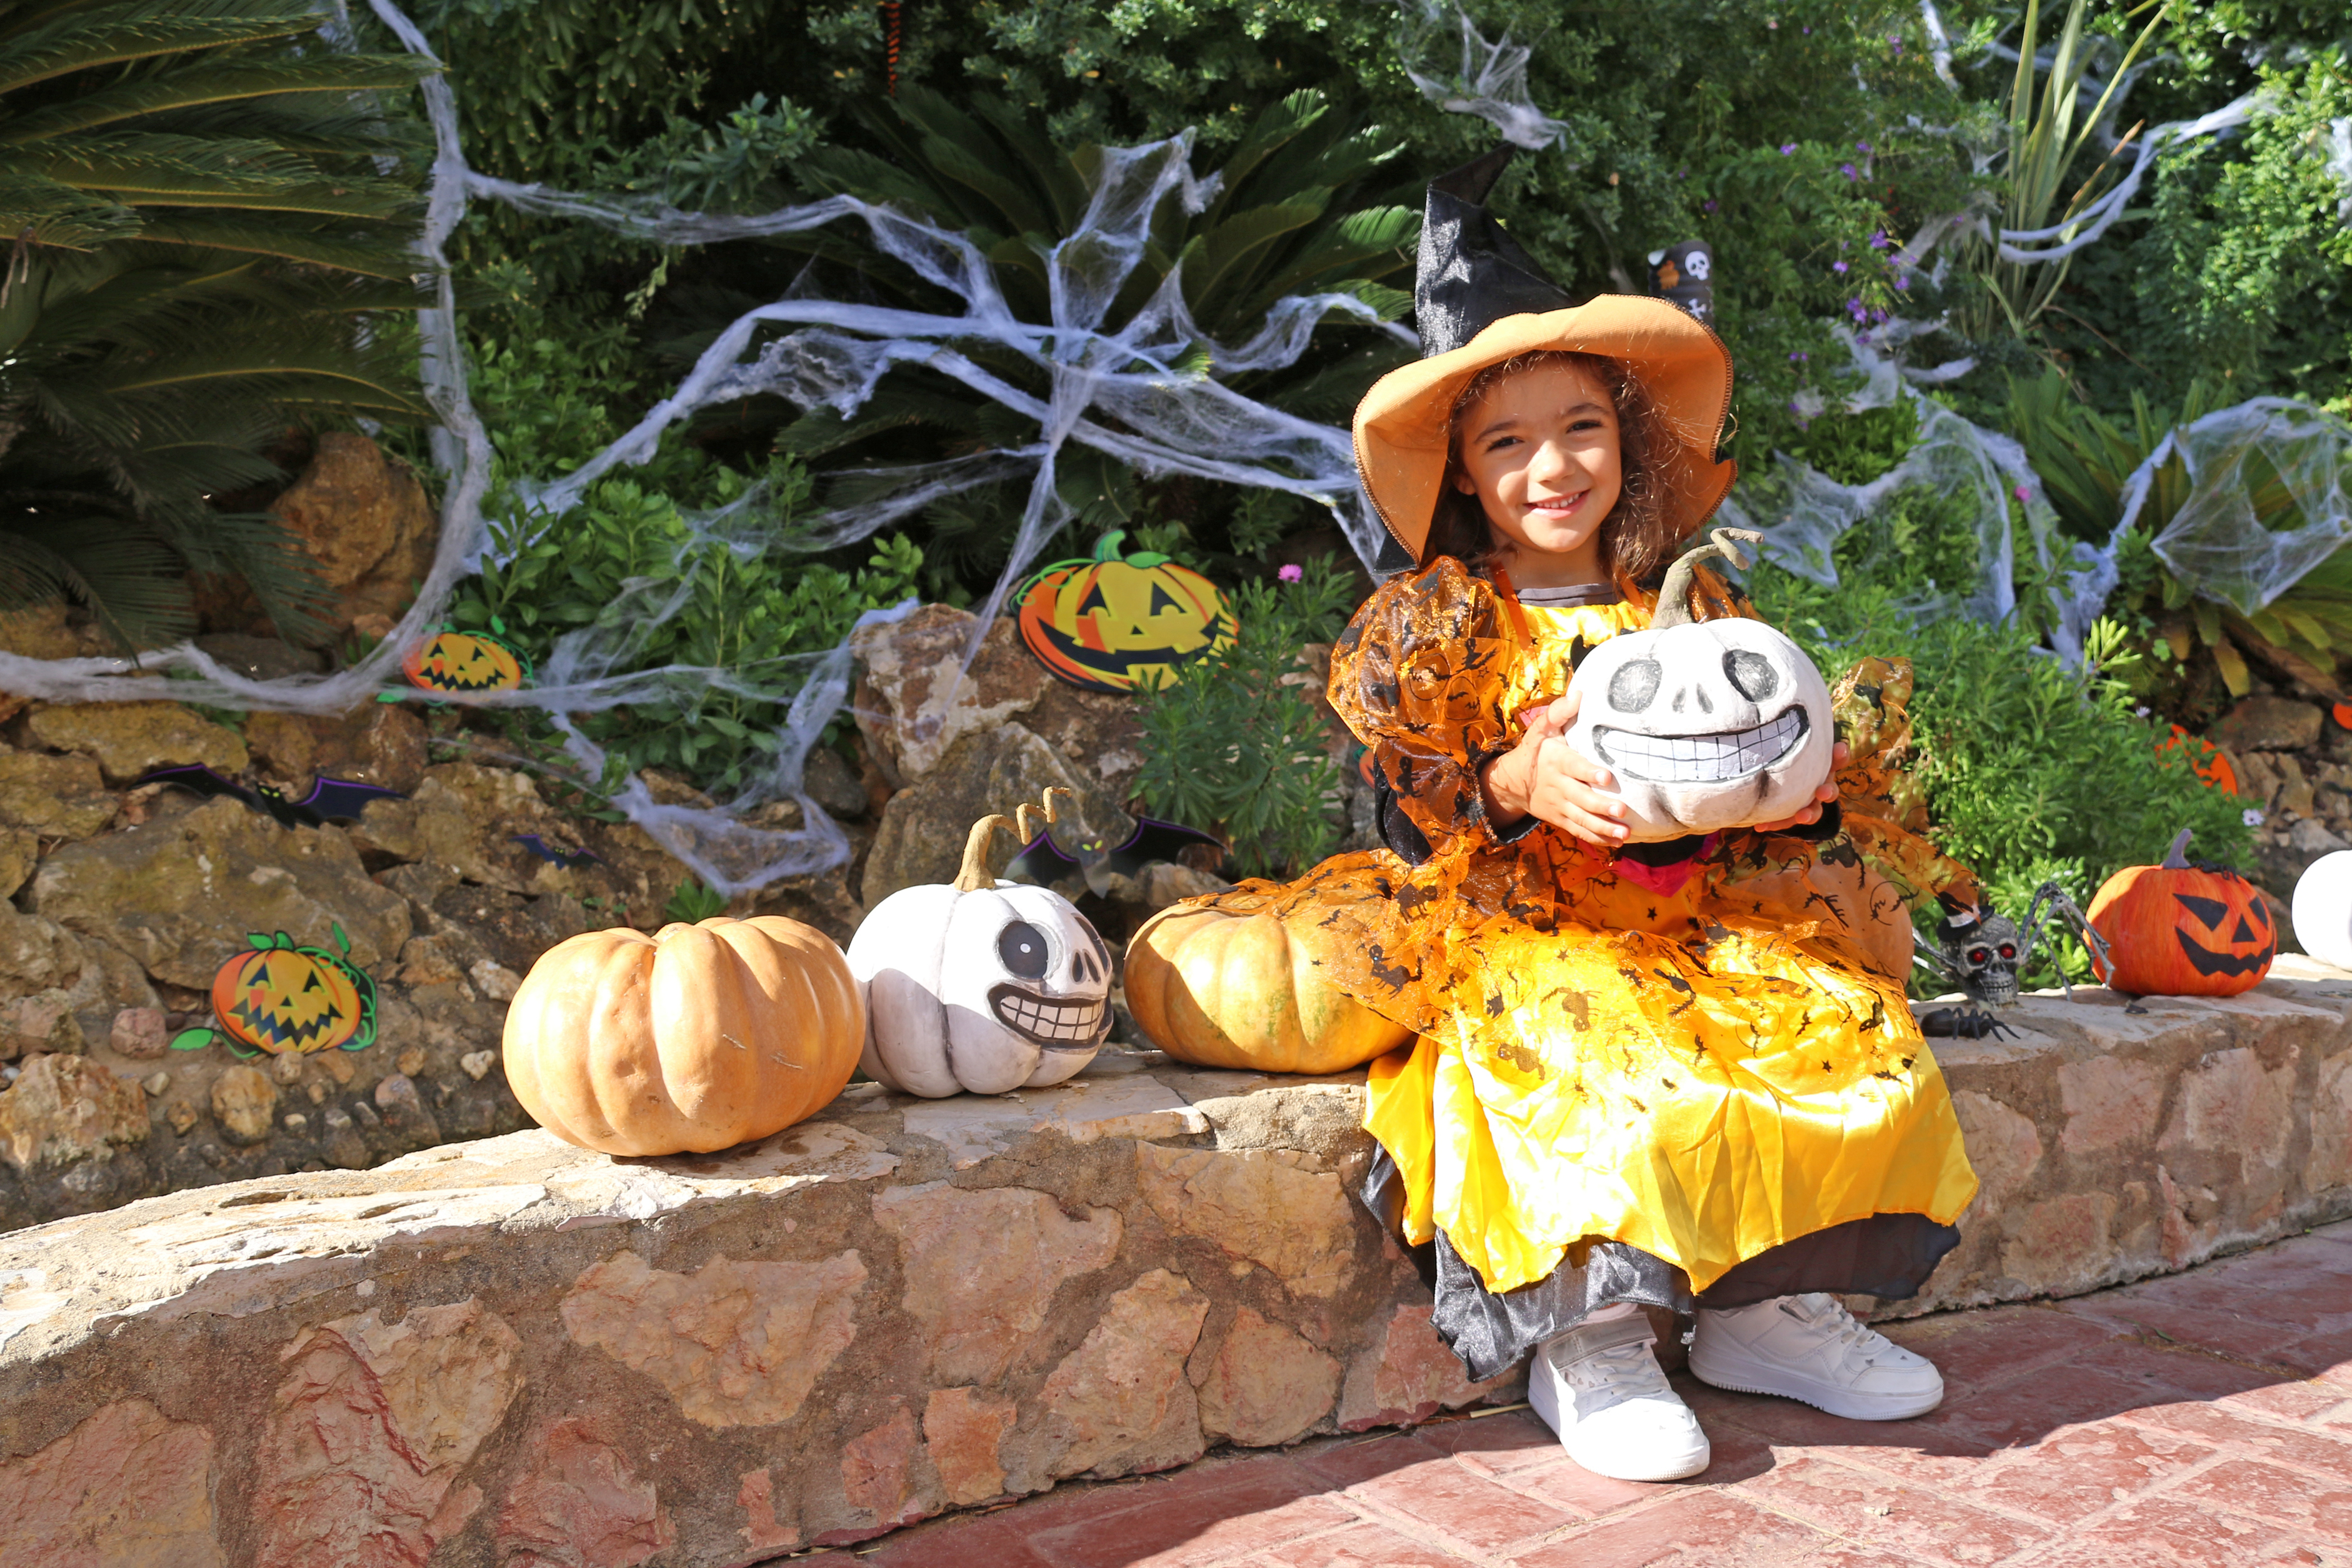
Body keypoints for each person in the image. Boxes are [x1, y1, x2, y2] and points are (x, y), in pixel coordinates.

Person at [1153, 150, 1984, 1483]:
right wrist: (1509, 783)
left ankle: (1762, 1314)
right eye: (1508, 441)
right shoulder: (1447, 619)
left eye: (1581, 429)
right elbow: (1393, 787)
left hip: (1704, 920)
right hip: (1528, 927)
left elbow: (1756, 738)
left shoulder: (1691, 603)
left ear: (1627, 441)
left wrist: (1794, 791)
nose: (1552, 465)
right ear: (1468, 479)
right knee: (1588, 1065)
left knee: (1842, 1028)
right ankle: (1584, 1333)